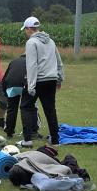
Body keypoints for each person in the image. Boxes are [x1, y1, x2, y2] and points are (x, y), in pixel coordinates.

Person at [20, 17, 64, 146]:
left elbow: (32, 65)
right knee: (50, 109)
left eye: (25, 30)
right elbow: (59, 61)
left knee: (26, 107)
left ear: (29, 29)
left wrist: (31, 86)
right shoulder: (50, 41)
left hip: (38, 80)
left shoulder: (31, 42)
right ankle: (55, 140)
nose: (25, 32)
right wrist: (60, 78)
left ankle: (27, 140)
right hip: (51, 79)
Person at [2, 53, 39, 140]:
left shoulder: (13, 61)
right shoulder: (32, 62)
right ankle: (32, 132)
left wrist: (5, 92)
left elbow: (5, 78)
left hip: (11, 86)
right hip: (25, 85)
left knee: (11, 109)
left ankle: (9, 132)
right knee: (29, 108)